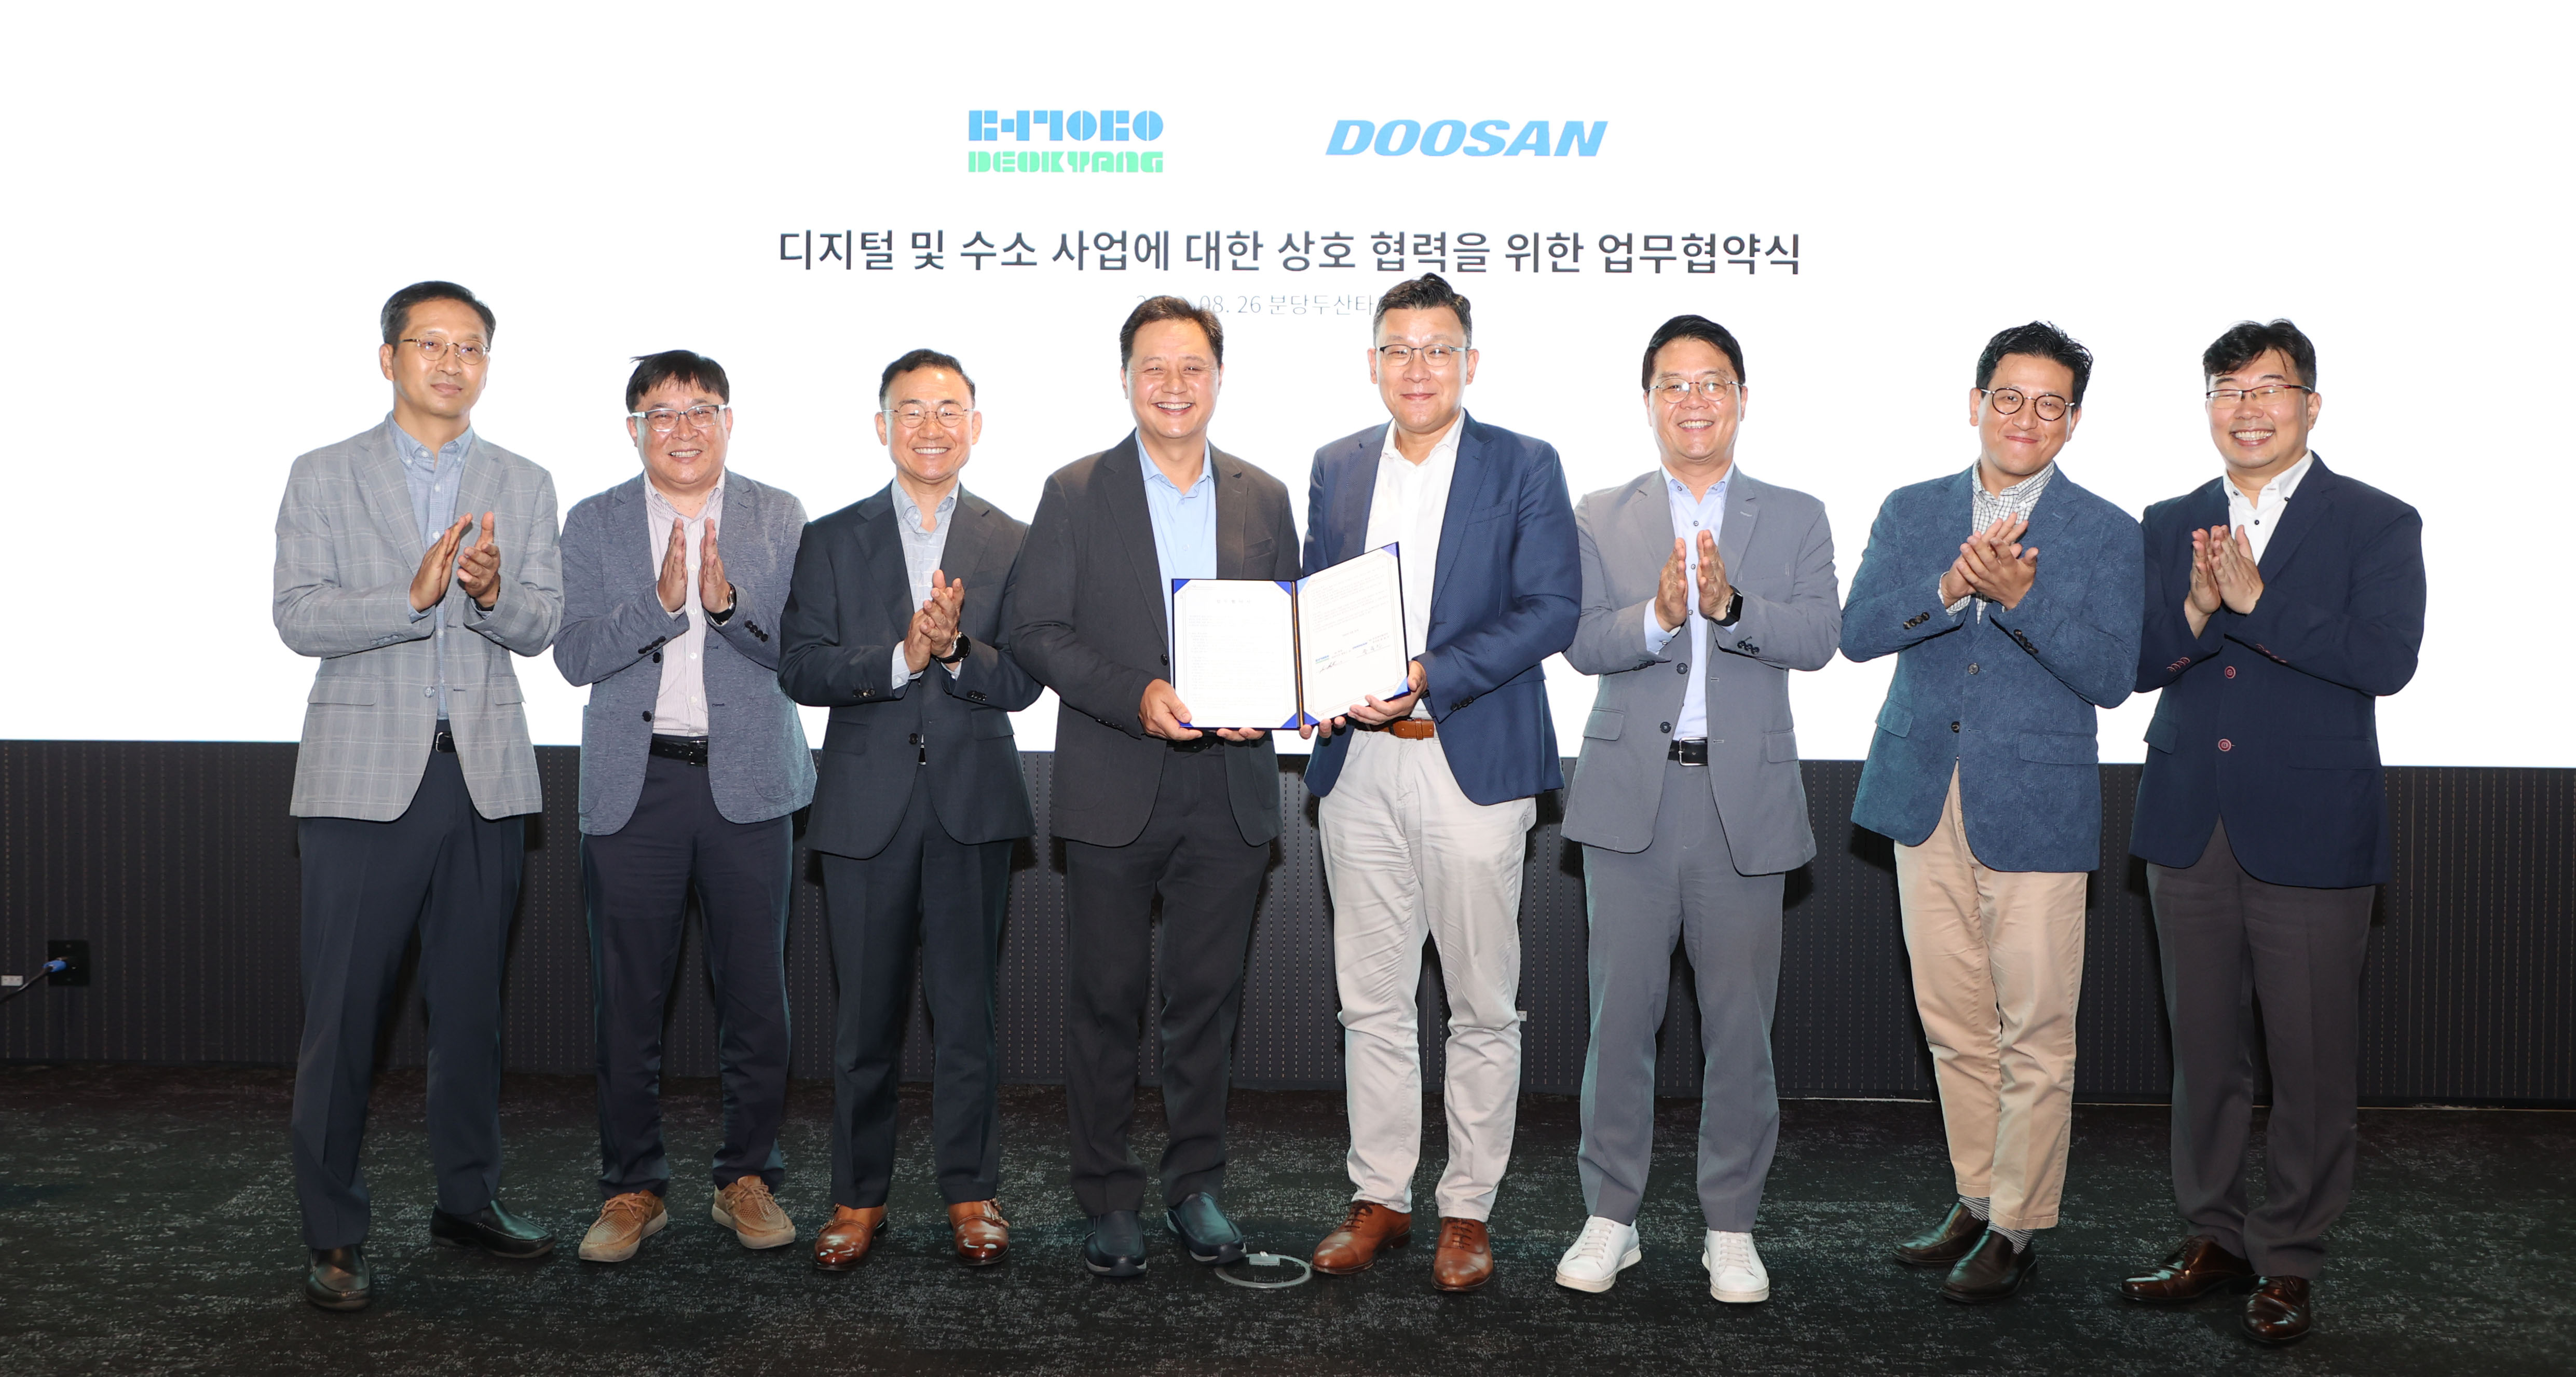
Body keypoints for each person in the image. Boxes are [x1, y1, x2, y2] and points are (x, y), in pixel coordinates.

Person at [2118, 320, 2424, 1345]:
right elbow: (2136, 661)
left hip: (2310, 826)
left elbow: (2385, 659)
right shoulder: (2168, 521)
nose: (2246, 409)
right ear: (2207, 406)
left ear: (2310, 405)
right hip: (2187, 818)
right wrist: (2199, 609)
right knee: (2202, 1054)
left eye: (2268, 389)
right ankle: (2213, 1234)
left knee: (2308, 1059)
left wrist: (2255, 605)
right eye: (2226, 389)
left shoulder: (2376, 521)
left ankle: (2289, 1254)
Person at [272, 280, 564, 1310]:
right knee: (346, 1018)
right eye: (430, 344)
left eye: (471, 346)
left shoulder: (523, 482)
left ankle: (468, 1199)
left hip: (481, 778)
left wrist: (488, 593)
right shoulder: (325, 474)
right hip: (360, 783)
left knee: (472, 1016)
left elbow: (541, 627)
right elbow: (298, 617)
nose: (452, 362)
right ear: (387, 356)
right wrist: (412, 597)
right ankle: (334, 1231)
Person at [1841, 321, 2142, 1303]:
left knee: (2038, 1028)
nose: (2025, 417)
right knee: (1955, 1021)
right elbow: (1857, 631)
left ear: (2074, 421)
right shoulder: (1915, 507)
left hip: (2039, 806)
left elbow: (2109, 676)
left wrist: (2017, 597)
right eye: (2008, 397)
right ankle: (1976, 1196)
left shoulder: (2107, 531)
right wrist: (1948, 584)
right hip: (1924, 795)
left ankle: (2019, 1221)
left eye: (2049, 403)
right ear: (1976, 403)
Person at [1005, 297, 1301, 1278]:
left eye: (1193, 367)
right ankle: (1106, 1195)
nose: (1173, 385)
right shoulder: (1075, 491)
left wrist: (1293, 692)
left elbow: (1289, 634)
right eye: (1153, 367)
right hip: (1112, 784)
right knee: (1105, 1000)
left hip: (1229, 790)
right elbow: (1037, 631)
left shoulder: (1263, 496)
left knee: (1206, 1003)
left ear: (1219, 378)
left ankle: (1195, 1186)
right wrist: (1138, 694)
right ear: (1125, 378)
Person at [1299, 274, 1579, 1292]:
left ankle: (1467, 1207)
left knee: (1480, 1002)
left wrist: (1429, 674)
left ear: (1470, 362)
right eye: (1398, 349)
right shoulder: (1334, 467)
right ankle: (1379, 1196)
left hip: (1473, 758)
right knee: (1370, 1000)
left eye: (1438, 349)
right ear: (1373, 362)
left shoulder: (1524, 465)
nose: (1418, 367)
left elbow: (1552, 608)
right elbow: (1313, 605)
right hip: (1359, 767)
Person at [1553, 315, 1841, 1302]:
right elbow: (1584, 643)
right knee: (1617, 1020)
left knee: (1738, 1027)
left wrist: (1731, 609)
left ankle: (1731, 1224)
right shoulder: (1600, 512)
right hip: (1632, 797)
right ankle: (1611, 1216)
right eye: (1672, 385)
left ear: (1742, 397)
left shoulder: (1796, 515)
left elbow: (1820, 637)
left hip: (1743, 803)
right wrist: (1661, 616)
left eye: (1711, 382)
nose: (1692, 401)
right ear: (1648, 404)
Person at [779, 349, 1044, 1270]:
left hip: (972, 805)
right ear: (881, 424)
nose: (931, 427)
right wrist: (902, 655)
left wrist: (960, 647)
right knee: (864, 1024)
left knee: (967, 1017)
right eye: (911, 410)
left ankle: (973, 1191)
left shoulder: (1013, 538)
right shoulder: (830, 536)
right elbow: (802, 664)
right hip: (863, 809)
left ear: (975, 426)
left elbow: (1026, 680)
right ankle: (859, 1197)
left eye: (949, 410)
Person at [551, 350, 813, 1263]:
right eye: (662, 414)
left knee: (756, 996)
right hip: (637, 783)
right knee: (629, 997)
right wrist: (660, 608)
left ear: (729, 421)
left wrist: (727, 603)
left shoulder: (779, 515)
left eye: (702, 408)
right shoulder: (593, 522)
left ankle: (748, 1174)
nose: (684, 427)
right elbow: (575, 655)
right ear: (635, 430)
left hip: (748, 784)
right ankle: (633, 1185)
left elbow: (801, 656)